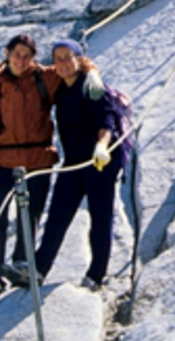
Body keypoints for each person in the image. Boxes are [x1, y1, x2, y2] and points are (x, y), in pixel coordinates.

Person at [30, 37, 126, 292]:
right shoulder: (59, 89)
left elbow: (107, 121)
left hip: (100, 161)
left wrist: (102, 145)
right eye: (57, 58)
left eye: (67, 57)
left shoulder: (91, 86)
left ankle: (97, 273)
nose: (62, 63)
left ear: (77, 59)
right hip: (73, 161)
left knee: (100, 215)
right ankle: (39, 269)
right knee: (58, 214)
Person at [0, 32, 59, 296]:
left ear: (33, 58)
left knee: (28, 217)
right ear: (7, 54)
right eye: (17, 54)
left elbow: (76, 64)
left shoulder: (44, 78)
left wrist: (93, 73)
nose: (21, 60)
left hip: (38, 160)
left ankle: (20, 267)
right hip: (3, 161)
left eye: (27, 55)